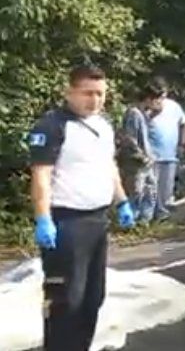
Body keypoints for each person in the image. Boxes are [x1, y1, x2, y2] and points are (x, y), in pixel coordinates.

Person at [28, 64, 136, 351]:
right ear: (69, 92)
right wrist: (43, 218)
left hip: (97, 221)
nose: (95, 100)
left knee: (92, 298)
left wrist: (122, 201)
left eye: (100, 94)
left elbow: (109, 167)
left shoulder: (103, 126)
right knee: (65, 300)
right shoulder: (52, 126)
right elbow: (41, 175)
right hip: (66, 223)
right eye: (88, 93)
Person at [119, 83, 165, 223]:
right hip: (136, 162)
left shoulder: (144, 114)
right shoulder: (134, 113)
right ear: (149, 98)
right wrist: (143, 157)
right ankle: (130, 222)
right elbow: (130, 139)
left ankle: (144, 221)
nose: (160, 102)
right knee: (136, 193)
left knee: (150, 192)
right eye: (158, 99)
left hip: (147, 161)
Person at [147, 76, 185, 221]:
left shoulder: (174, 106)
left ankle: (164, 217)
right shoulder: (145, 107)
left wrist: (182, 144)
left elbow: (184, 123)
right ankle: (147, 218)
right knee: (149, 189)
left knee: (166, 188)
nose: (161, 98)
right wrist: (153, 113)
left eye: (163, 93)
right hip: (151, 156)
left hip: (170, 154)